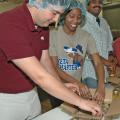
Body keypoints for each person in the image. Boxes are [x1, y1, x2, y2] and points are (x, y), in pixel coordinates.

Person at [0, 0, 103, 119]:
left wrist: (61, 85)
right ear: (39, 2)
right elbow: (40, 76)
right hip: (7, 100)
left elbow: (46, 62)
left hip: (32, 94)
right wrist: (81, 102)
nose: (56, 20)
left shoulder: (42, 26)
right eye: (54, 13)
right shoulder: (9, 23)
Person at [49, 0, 105, 108]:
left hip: (76, 86)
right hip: (57, 86)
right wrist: (77, 83)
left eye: (79, 17)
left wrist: (101, 86)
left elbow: (98, 63)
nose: (75, 20)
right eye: (71, 16)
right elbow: (54, 67)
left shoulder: (86, 36)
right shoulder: (53, 35)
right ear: (64, 16)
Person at [81, 0, 117, 88]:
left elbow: (109, 43)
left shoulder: (104, 22)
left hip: (106, 72)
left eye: (100, 2)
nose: (97, 4)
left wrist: (111, 56)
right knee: (96, 100)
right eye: (94, 2)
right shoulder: (82, 22)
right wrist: (106, 63)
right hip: (91, 73)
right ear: (87, 5)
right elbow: (84, 50)